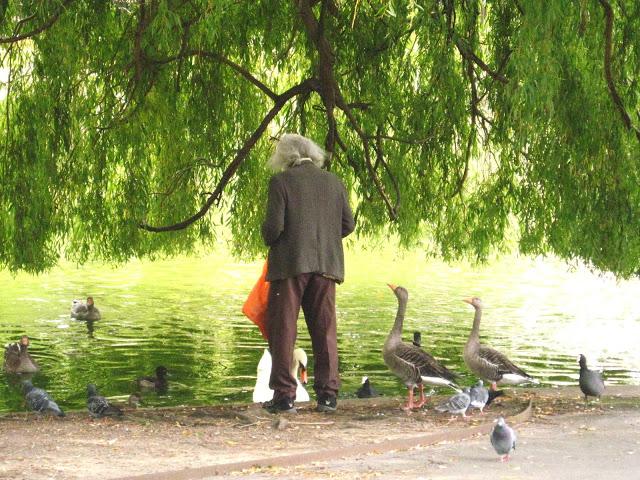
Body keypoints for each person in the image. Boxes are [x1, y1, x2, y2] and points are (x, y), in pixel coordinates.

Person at [261, 133, 355, 413]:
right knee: (325, 330)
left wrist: (269, 235)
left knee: (284, 329)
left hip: (290, 266)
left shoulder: (281, 182)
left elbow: (273, 229)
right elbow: (348, 224)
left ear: (285, 156)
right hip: (327, 266)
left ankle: (284, 396)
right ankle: (328, 396)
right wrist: (325, 237)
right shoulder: (333, 181)